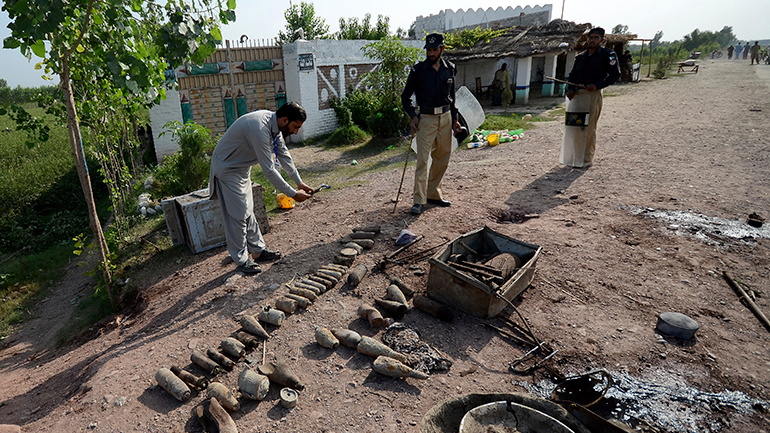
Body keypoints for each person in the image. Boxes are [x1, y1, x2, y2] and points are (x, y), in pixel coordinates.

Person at [209, 102, 314, 273]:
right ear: (285, 120)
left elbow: (284, 155)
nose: (295, 132)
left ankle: (258, 251)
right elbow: (269, 170)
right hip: (227, 169)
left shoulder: (275, 128)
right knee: (237, 214)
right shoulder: (259, 129)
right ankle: (241, 260)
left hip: (241, 168)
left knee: (247, 210)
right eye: (295, 127)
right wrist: (293, 194)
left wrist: (299, 182)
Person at [401, 32, 462, 215]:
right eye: (428, 50)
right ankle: (419, 200)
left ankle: (433, 194)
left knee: (442, 157)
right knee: (422, 160)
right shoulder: (418, 71)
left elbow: (452, 97)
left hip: (446, 117)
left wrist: (455, 119)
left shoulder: (450, 69)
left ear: (442, 49)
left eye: (434, 50)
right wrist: (413, 115)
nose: (431, 53)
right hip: (426, 119)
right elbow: (405, 97)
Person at [564, 27, 621, 167]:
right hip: (577, 95)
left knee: (588, 128)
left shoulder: (608, 55)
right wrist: (571, 89)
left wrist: (597, 86)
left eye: (596, 38)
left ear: (602, 40)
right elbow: (572, 75)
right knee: (575, 126)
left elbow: (615, 75)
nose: (592, 40)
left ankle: (586, 159)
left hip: (592, 94)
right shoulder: (580, 57)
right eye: (591, 37)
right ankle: (574, 157)